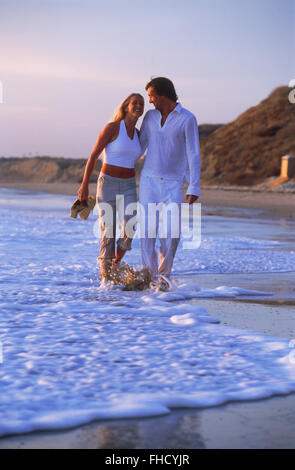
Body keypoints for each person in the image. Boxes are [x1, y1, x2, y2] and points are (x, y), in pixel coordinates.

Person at [139, 77, 200, 288]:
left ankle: (163, 278)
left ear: (162, 95)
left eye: (151, 96)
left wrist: (194, 185)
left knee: (171, 233)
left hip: (174, 183)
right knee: (147, 232)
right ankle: (149, 277)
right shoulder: (149, 117)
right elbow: (140, 146)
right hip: (148, 181)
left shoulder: (187, 119)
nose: (149, 101)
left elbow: (193, 154)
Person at [78, 93, 144, 281]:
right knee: (108, 231)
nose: (138, 106)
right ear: (126, 106)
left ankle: (115, 263)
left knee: (130, 227)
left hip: (129, 185)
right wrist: (84, 185)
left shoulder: (138, 134)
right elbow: (93, 156)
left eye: (142, 103)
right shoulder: (113, 128)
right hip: (107, 184)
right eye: (135, 103)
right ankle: (106, 279)